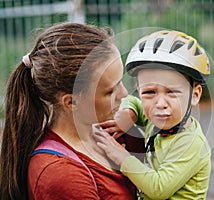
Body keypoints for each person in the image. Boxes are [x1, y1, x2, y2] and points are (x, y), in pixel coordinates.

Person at [0, 22, 138, 200]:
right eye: (111, 91)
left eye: (121, 81)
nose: (124, 94)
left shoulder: (113, 130)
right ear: (71, 101)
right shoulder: (59, 174)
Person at [94, 30, 212, 199]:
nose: (160, 103)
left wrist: (122, 157)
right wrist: (129, 114)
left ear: (195, 95)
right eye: (149, 92)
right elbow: (132, 100)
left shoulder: (191, 143)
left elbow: (158, 188)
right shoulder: (156, 117)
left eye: (172, 92)